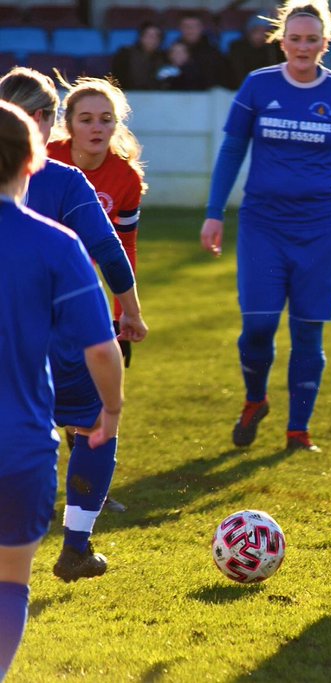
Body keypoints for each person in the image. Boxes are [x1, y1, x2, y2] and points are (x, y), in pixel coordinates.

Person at [200, 0, 331, 453]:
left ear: (325, 43)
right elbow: (232, 150)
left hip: (320, 226)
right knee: (258, 327)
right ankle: (255, 399)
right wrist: (214, 212)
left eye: (312, 39)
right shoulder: (258, 85)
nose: (303, 47)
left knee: (307, 331)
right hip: (262, 223)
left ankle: (298, 431)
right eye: (295, 39)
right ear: (281, 42)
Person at [0, 67, 147, 582]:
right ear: (44, 120)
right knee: (94, 426)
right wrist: (130, 311)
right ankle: (76, 547)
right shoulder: (64, 180)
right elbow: (108, 249)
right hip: (63, 337)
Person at [0, 99, 123, 679]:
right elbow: (101, 348)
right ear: (34, 161)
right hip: (20, 448)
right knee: (9, 582)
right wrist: (112, 409)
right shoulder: (56, 244)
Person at [47, 76, 147, 366]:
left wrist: (121, 315)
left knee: (90, 371)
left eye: (105, 119)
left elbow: (124, 247)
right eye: (86, 119)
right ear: (69, 125)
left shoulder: (126, 178)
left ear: (116, 125)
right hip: (31, 277)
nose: (97, 128)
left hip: (79, 281)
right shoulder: (43, 159)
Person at [173, 10, 226, 90]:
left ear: (201, 28)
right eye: (186, 26)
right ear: (180, 28)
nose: (190, 29)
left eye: (194, 26)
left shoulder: (213, 53)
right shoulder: (172, 51)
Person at [226, 15, 284, 88]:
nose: (260, 36)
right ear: (250, 31)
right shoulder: (237, 47)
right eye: (257, 31)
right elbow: (238, 71)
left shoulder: (270, 49)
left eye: (264, 32)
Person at [110, 20, 167, 91]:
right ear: (141, 37)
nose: (152, 39)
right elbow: (115, 78)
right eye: (149, 35)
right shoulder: (125, 54)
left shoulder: (164, 58)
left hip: (156, 95)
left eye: (156, 36)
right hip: (128, 93)